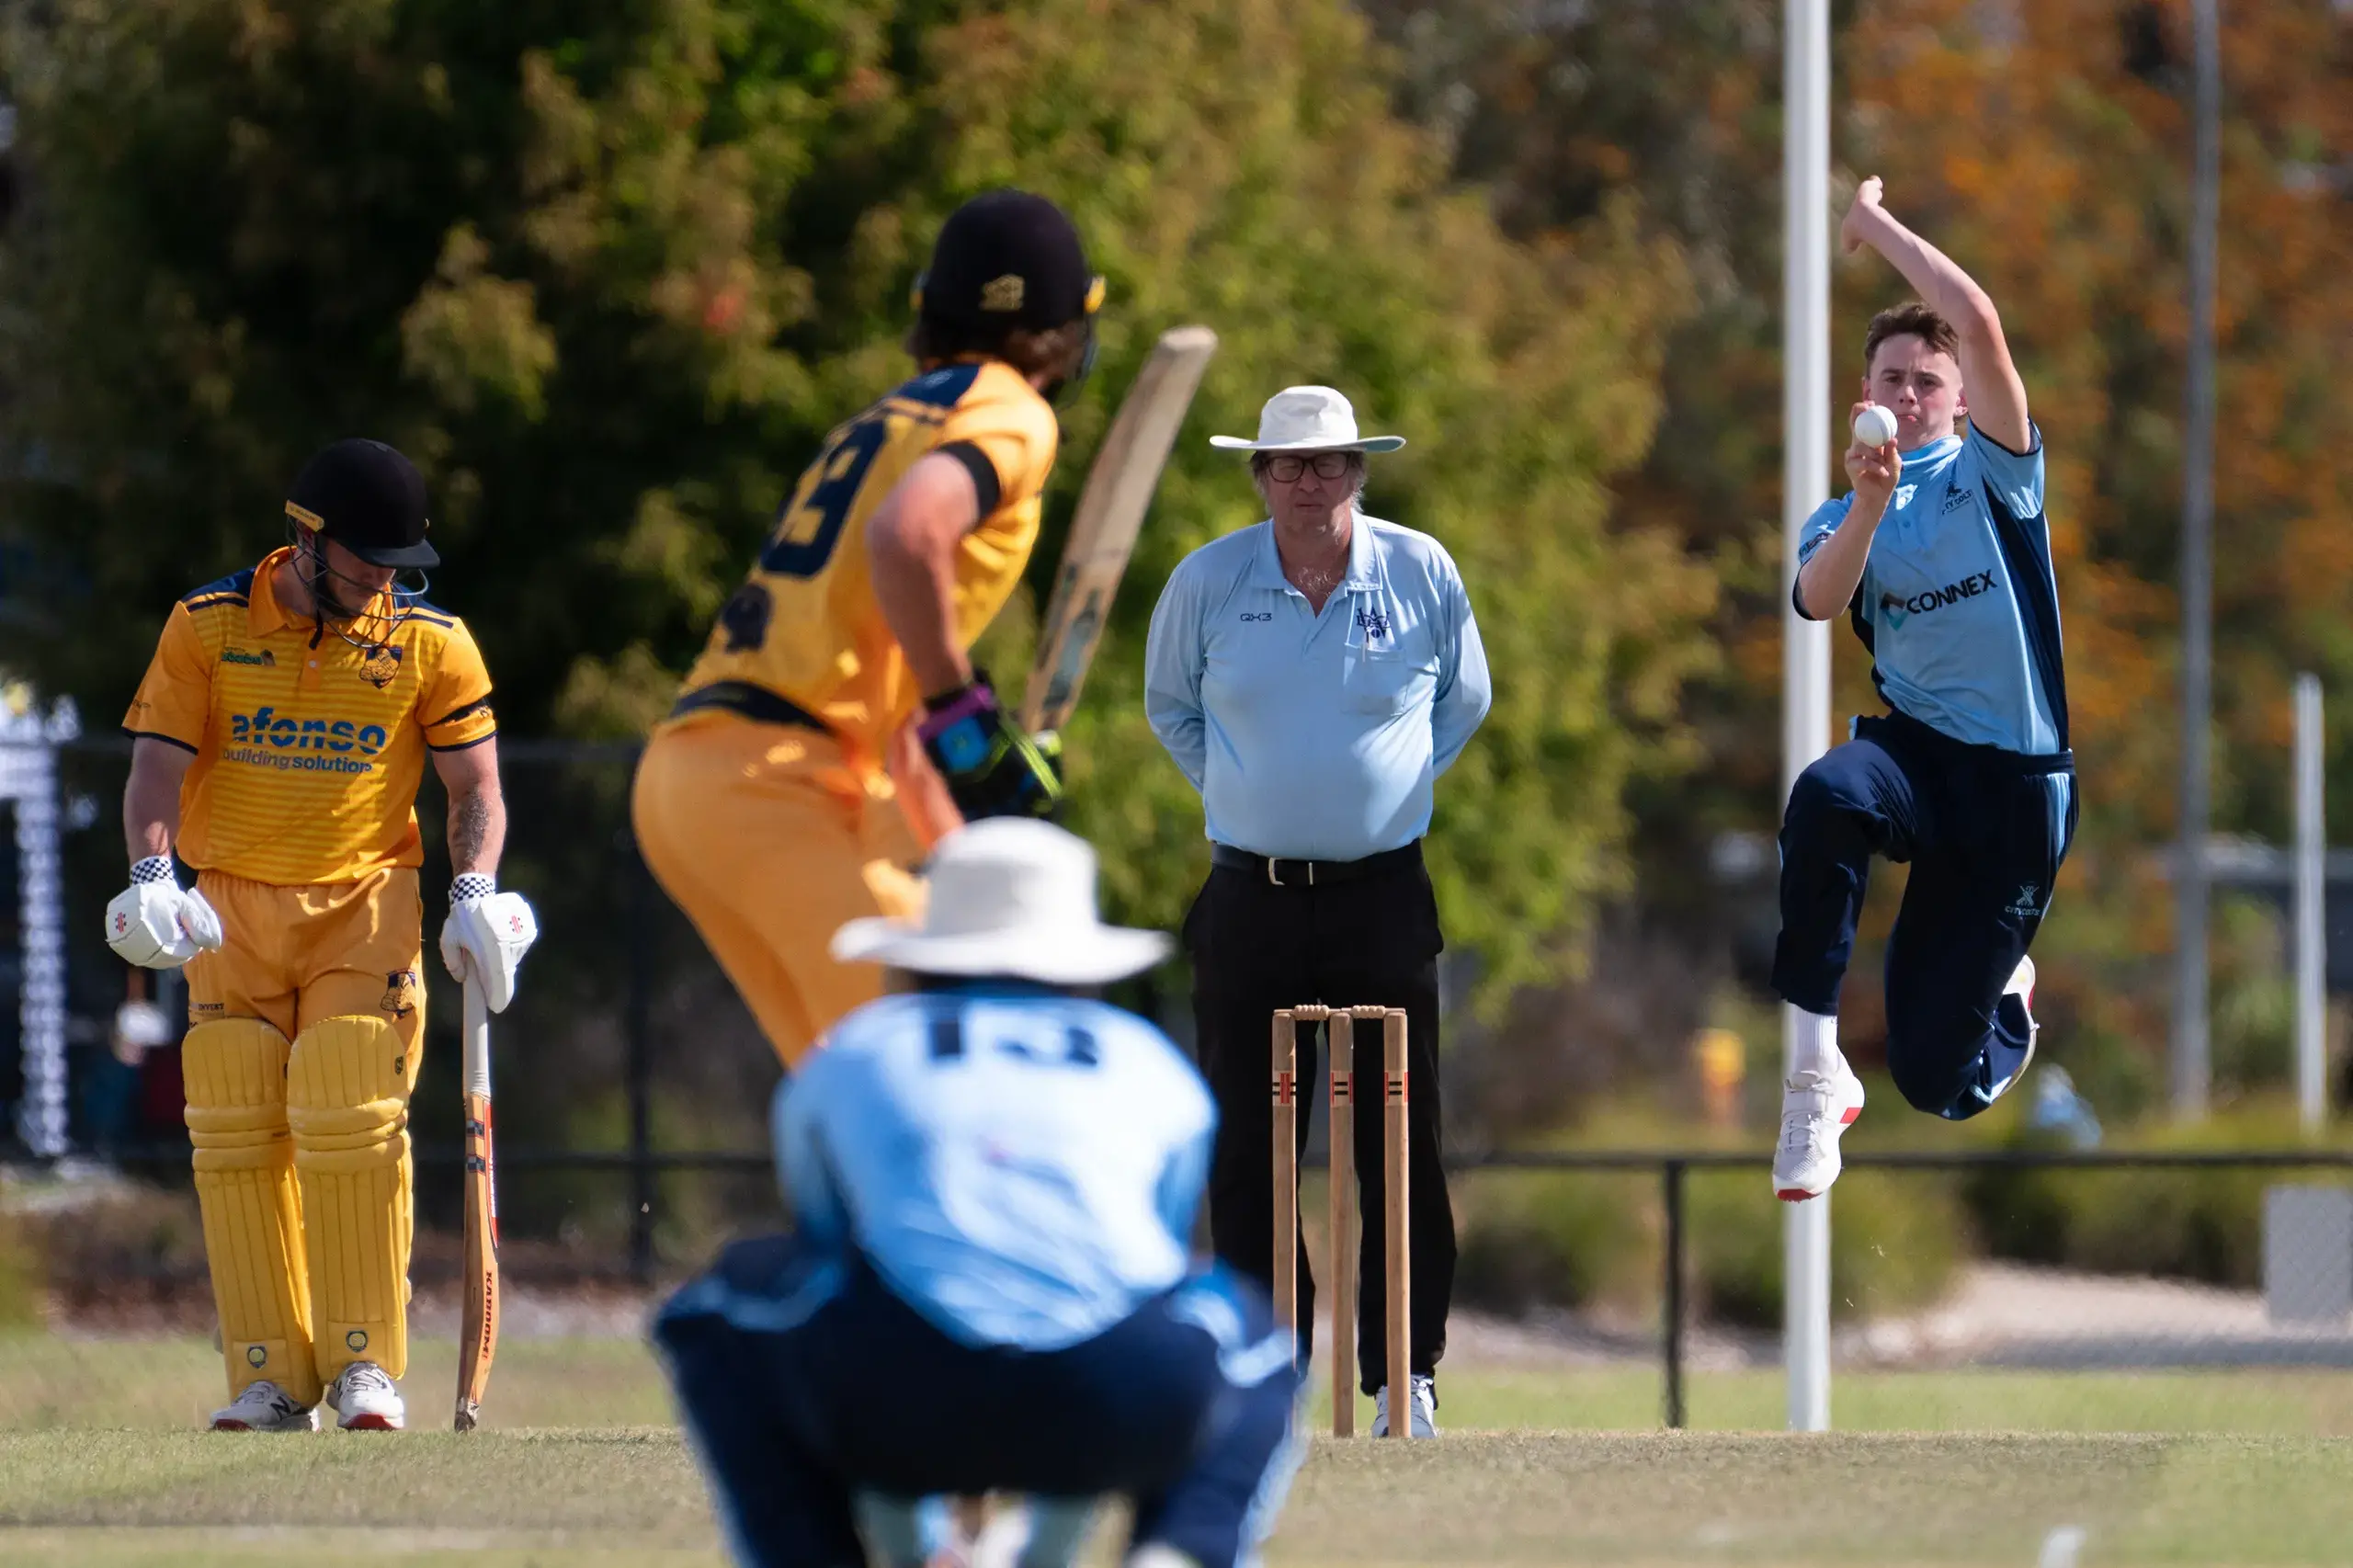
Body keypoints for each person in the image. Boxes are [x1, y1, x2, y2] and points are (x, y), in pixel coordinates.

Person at [654, 819, 1302, 1568]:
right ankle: (1182, 1550)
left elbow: (834, 1250)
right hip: (1117, 1395)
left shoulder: (859, 1049)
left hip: (898, 1389)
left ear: (926, 955)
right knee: (1256, 1342)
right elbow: (1131, 1278)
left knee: (712, 1314)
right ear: (1080, 962)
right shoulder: (1151, 1064)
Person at [112, 437, 539, 1432]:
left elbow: (475, 786)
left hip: (366, 902)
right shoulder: (208, 626)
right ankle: (268, 1374)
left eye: (398, 563)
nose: (383, 580)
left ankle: (364, 1368)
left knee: (350, 1108)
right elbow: (152, 771)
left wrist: (473, 885)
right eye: (364, 560)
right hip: (228, 906)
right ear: (306, 539)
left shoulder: (431, 639)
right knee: (234, 1127)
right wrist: (149, 873)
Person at [632, 189, 1095, 1072]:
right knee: (942, 1079)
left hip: (698, 780)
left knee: (855, 1096)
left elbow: (880, 689)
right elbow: (906, 535)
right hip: (780, 783)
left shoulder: (886, 421)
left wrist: (970, 850)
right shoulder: (1011, 412)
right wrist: (966, 714)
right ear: (1062, 334)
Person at [1142, 385, 1491, 1438]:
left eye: (1329, 463)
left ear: (1357, 472)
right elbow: (1170, 705)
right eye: (1287, 464)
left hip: (1381, 894)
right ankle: (1267, 1368)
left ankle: (1406, 1373)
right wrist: (1242, 792)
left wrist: (1384, 789)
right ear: (1259, 476)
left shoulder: (1420, 568)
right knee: (1249, 1146)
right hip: (1249, 893)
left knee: (1403, 1135)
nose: (1308, 481)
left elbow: (1462, 701)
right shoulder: (1209, 579)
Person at [1773, 176, 2074, 1199]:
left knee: (1934, 1076)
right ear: (1860, 394)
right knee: (1825, 794)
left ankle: (2008, 1003)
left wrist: (1870, 227)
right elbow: (1817, 600)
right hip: (1917, 754)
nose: (1908, 395)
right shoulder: (1841, 505)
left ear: (1954, 397)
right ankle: (1813, 1073)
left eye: (1926, 382)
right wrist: (1864, 508)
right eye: (1889, 378)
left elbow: (1979, 322)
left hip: (2018, 788)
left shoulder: (1993, 474)